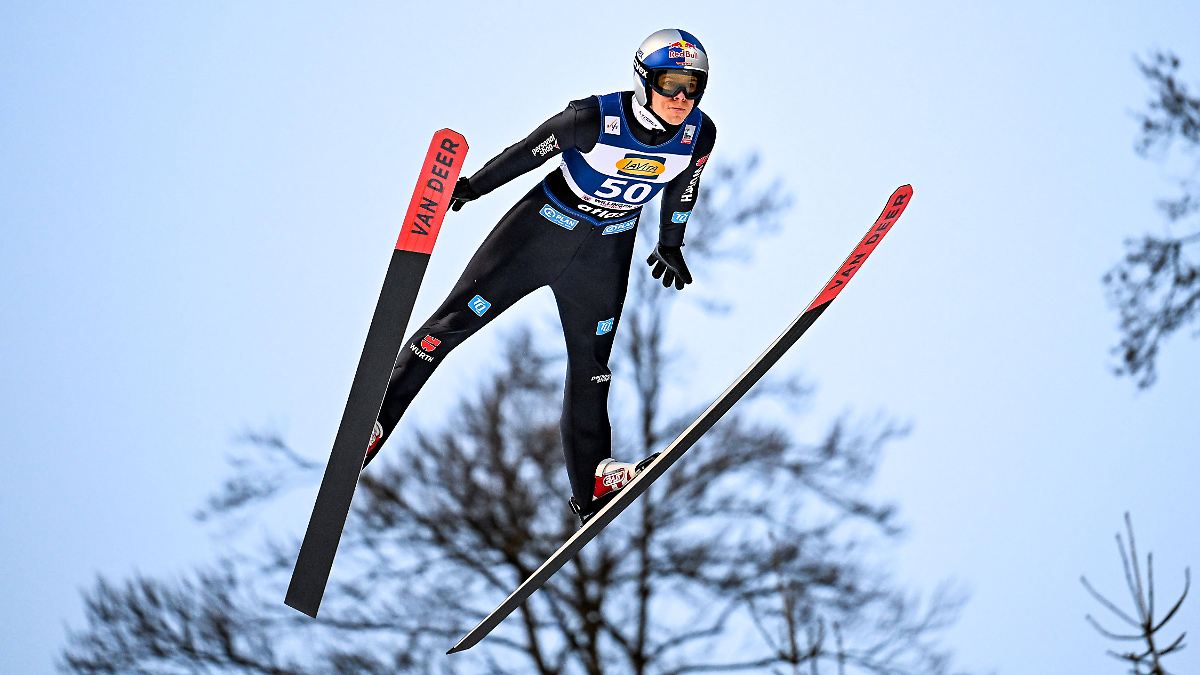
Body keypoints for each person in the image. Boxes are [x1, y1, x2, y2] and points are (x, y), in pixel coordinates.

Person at [362, 28, 717, 525]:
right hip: (540, 233)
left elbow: (684, 186)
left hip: (605, 251)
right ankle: (373, 422)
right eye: (670, 84)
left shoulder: (699, 133)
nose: (682, 99)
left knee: (593, 366)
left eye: (692, 87)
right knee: (449, 328)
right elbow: (530, 151)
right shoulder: (592, 118)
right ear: (643, 80)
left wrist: (671, 244)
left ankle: (593, 480)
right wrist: (472, 189)